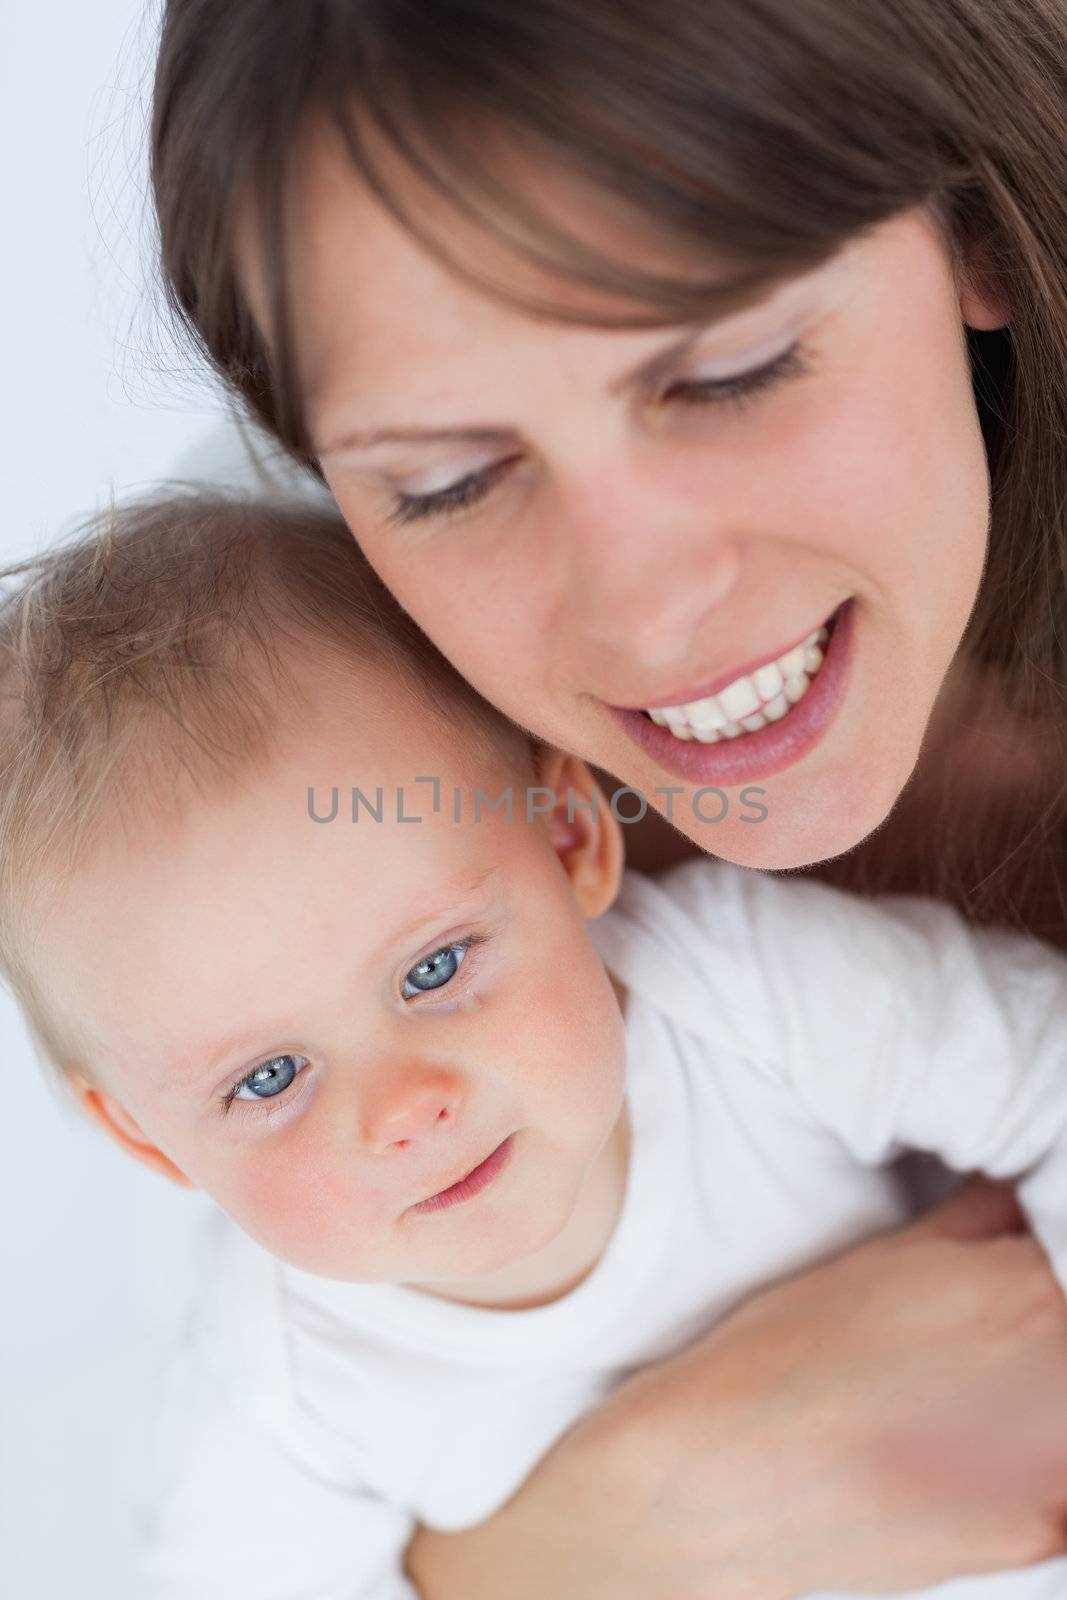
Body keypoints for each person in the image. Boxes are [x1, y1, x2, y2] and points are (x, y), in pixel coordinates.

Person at [144, 2, 1067, 1592]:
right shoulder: (340, 818)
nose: (648, 617)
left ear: (972, 230)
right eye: (443, 481)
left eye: (729, 372)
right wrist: (583, 1550)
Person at [2, 492, 1067, 1600]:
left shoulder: (742, 996)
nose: (405, 1106)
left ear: (568, 838)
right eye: (268, 1078)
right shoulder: (281, 1380)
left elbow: (1043, 1065)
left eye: (434, 968)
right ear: (151, 1141)